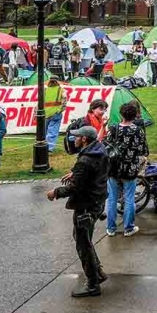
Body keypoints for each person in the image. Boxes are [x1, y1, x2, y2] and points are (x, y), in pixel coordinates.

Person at [47, 125, 109, 297]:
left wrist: (55, 193)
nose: (74, 139)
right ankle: (98, 272)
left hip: (86, 205)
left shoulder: (85, 160)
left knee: (83, 243)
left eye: (77, 136)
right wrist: (75, 172)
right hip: (98, 201)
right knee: (82, 237)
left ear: (85, 140)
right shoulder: (100, 150)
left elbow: (74, 188)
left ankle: (92, 284)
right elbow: (90, 172)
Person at [105, 100, 148, 237]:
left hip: (114, 168)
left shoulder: (113, 128)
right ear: (135, 115)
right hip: (130, 168)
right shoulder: (138, 131)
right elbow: (143, 150)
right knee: (129, 198)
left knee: (112, 198)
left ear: (121, 114)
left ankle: (111, 228)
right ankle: (128, 227)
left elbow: (107, 145)